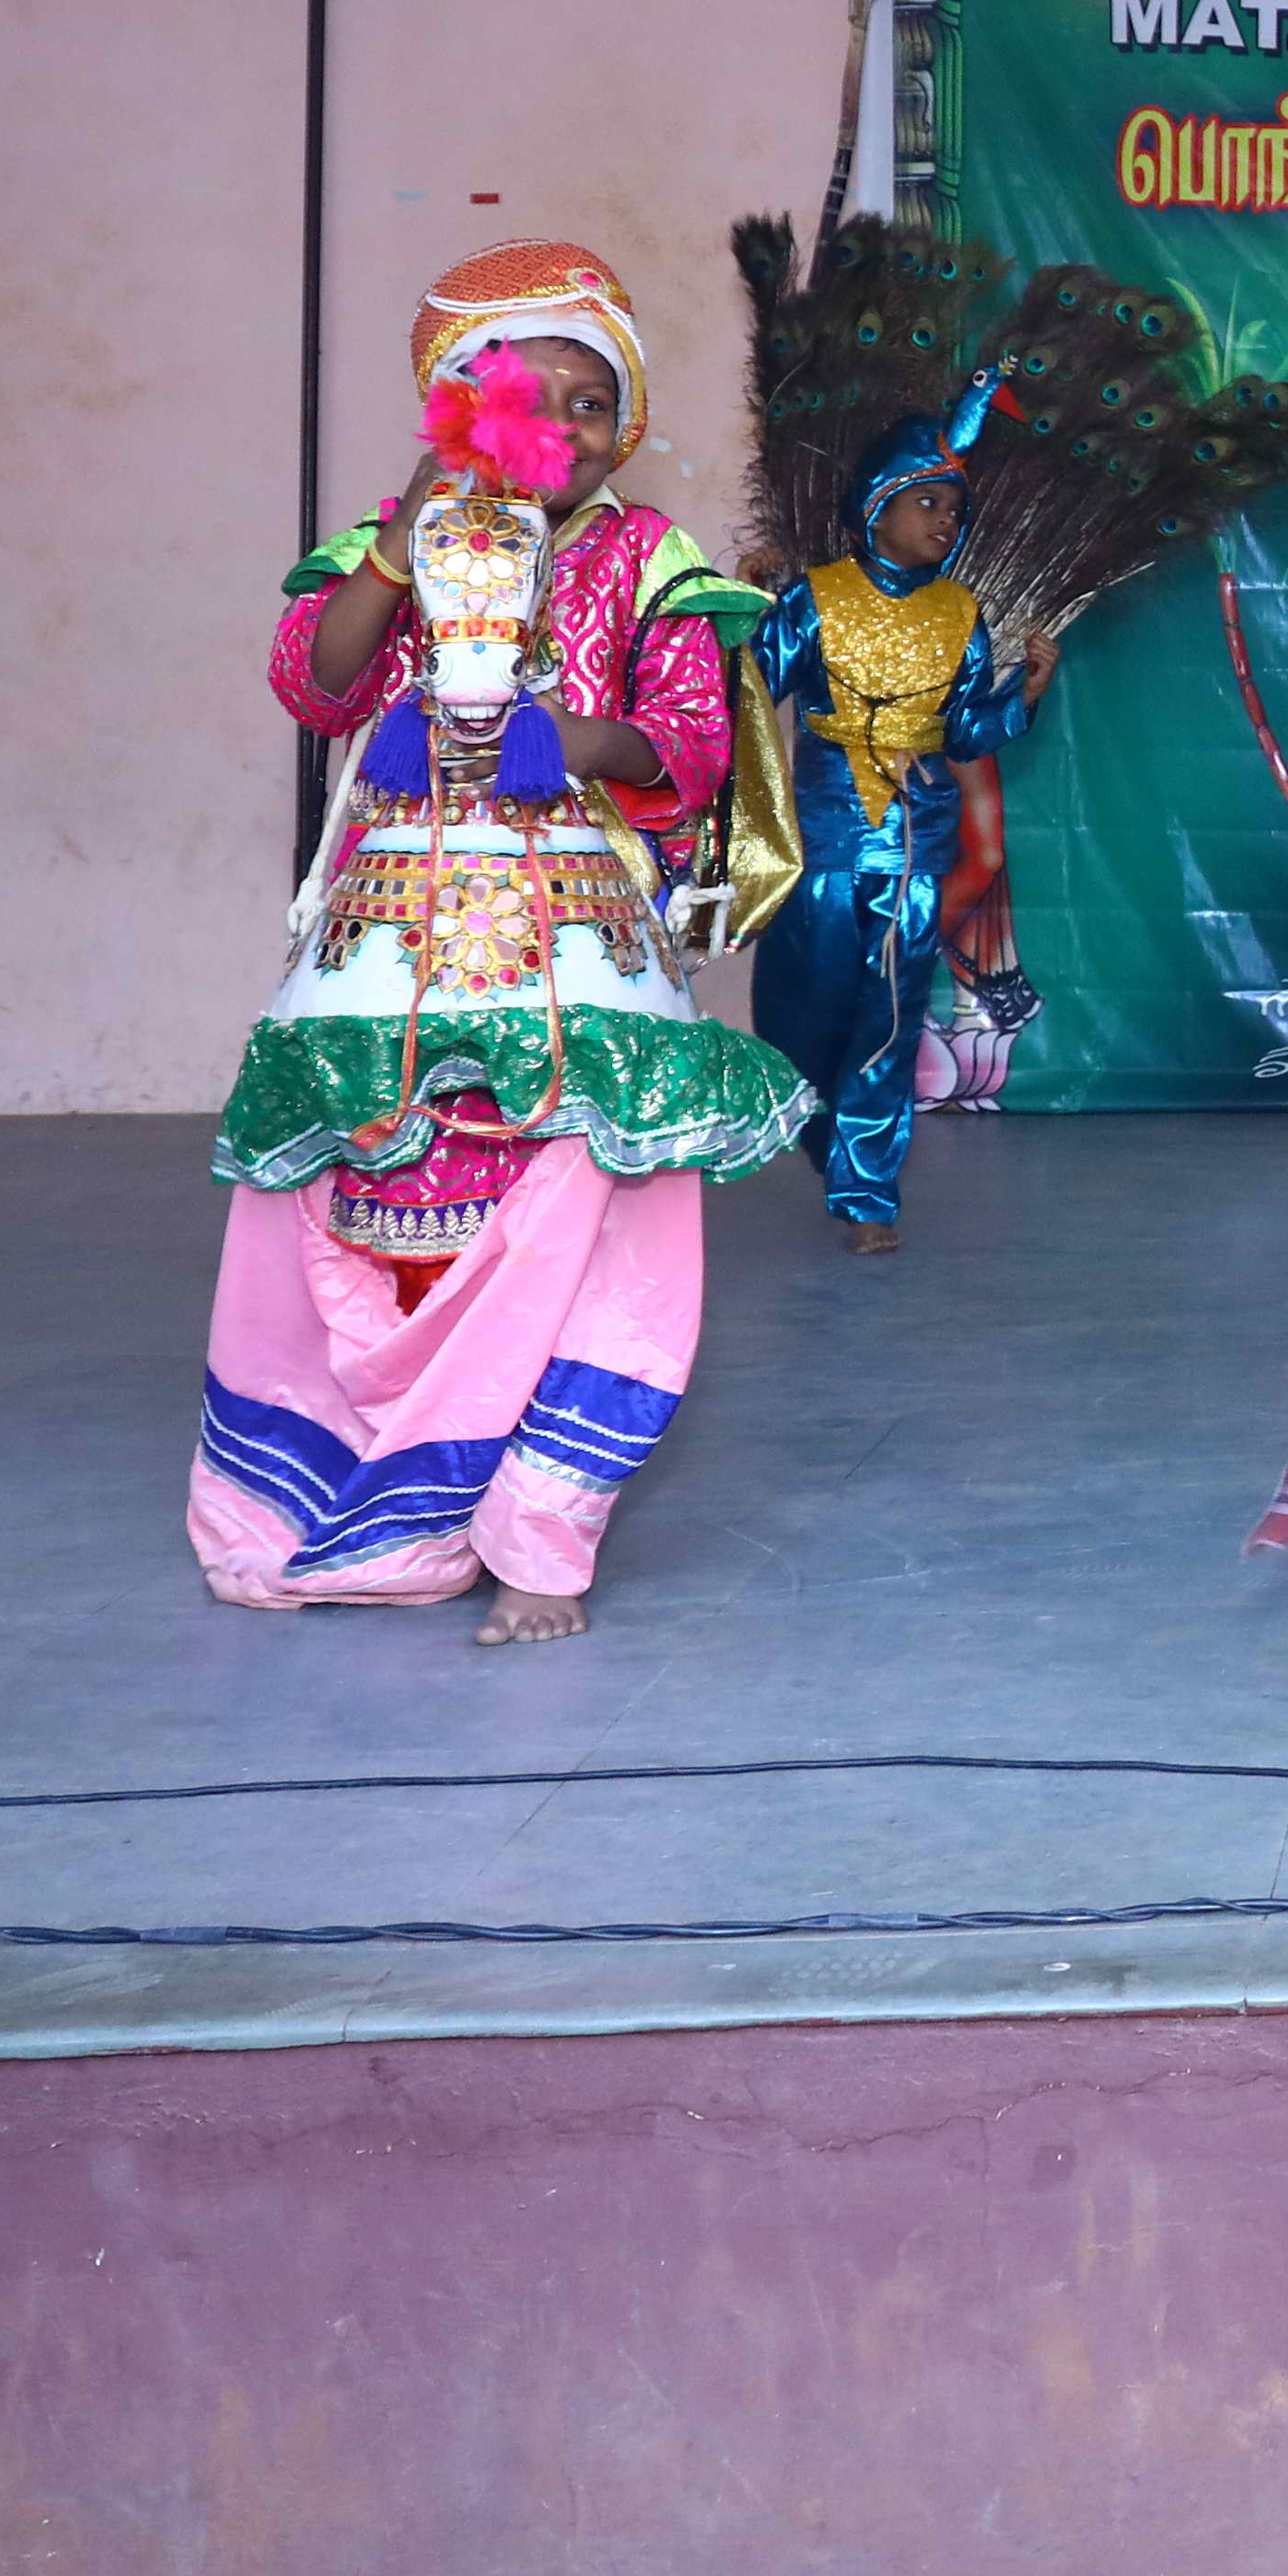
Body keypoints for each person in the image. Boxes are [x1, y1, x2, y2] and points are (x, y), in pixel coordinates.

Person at [206, 243, 813, 1643]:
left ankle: (542, 1534)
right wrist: (399, 540)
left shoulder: (649, 557)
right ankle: (382, 1501)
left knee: (595, 1213)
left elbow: (694, 746)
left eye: (594, 403)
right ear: (452, 411)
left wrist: (573, 744)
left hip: (580, 940)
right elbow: (315, 684)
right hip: (391, 936)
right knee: (378, 1194)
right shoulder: (392, 538)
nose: (566, 429)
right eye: (525, 399)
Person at [747, 408, 1048, 1253]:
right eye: (927, 503)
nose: (945, 520)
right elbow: (747, 691)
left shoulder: (960, 611)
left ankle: (868, 1193)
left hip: (915, 849)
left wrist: (1022, 696)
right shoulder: (814, 597)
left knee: (891, 1020)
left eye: (955, 509)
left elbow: (964, 734)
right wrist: (746, 618)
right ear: (874, 507)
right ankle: (826, 1137)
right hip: (823, 847)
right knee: (801, 1016)